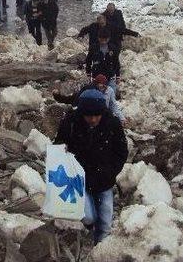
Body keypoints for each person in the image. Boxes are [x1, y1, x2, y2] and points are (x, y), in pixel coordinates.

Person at [54, 93, 128, 244]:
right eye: (89, 116)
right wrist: (63, 149)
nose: (93, 119)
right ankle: (88, 229)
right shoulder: (71, 123)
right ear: (82, 113)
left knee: (105, 224)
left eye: (96, 116)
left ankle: (99, 251)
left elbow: (121, 151)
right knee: (88, 217)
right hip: (78, 180)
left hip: (104, 180)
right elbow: (58, 145)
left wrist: (111, 171)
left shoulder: (112, 123)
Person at [51, 72, 124, 122]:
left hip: (103, 116)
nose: (102, 87)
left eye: (104, 85)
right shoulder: (88, 90)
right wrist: (57, 96)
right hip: (88, 116)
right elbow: (73, 99)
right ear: (96, 84)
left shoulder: (110, 90)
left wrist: (122, 118)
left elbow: (113, 105)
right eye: (100, 85)